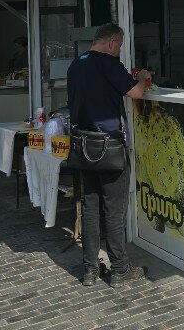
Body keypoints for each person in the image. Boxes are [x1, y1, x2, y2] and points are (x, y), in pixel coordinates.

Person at [67, 23, 151, 287]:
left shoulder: (76, 65)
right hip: (110, 147)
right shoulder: (108, 64)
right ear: (113, 42)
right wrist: (143, 78)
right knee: (114, 211)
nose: (119, 52)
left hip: (83, 146)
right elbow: (136, 93)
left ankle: (90, 270)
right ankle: (120, 270)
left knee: (90, 208)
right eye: (120, 46)